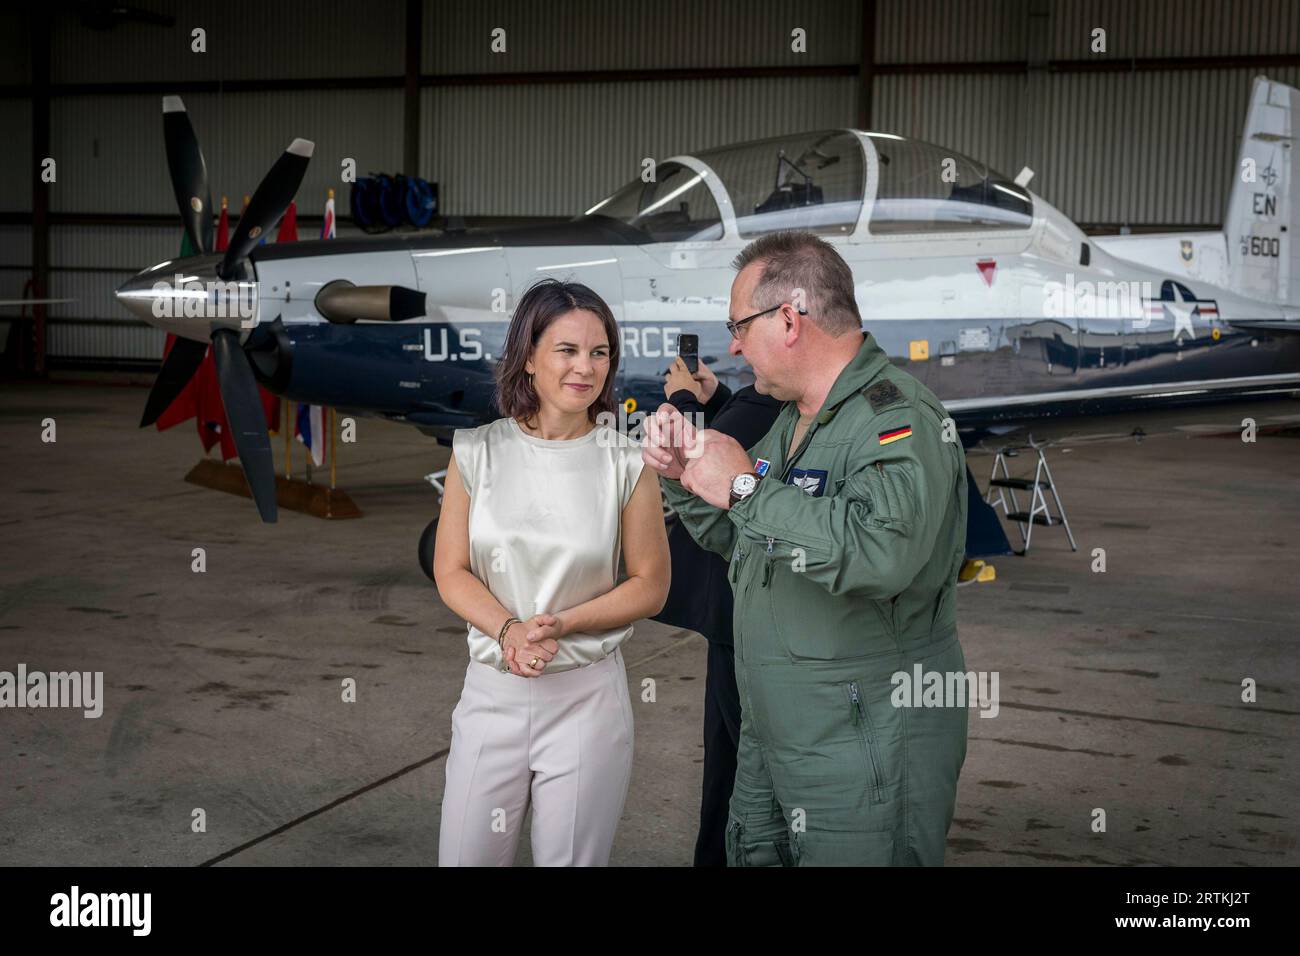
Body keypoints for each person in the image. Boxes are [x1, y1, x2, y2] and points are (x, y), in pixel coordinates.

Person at [643, 231, 969, 866]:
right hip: (775, 732)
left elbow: (882, 553)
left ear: (788, 319)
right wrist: (685, 476)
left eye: (739, 325)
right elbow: (748, 539)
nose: (733, 345)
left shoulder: (894, 419)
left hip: (861, 742)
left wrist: (741, 486)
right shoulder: (797, 423)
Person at [434, 278, 670, 866]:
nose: (584, 368)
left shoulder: (627, 459)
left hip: (587, 699)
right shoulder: (476, 451)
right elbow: (451, 570)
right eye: (567, 350)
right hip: (492, 695)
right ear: (530, 356)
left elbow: (650, 584)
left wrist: (559, 624)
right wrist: (510, 631)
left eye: (599, 352)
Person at [652, 355, 781, 866]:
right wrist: (719, 398)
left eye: (741, 329)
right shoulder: (768, 400)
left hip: (737, 614)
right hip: (739, 609)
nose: (736, 347)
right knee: (730, 751)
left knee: (733, 756)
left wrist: (682, 398)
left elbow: (706, 455)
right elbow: (744, 431)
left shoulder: (775, 399)